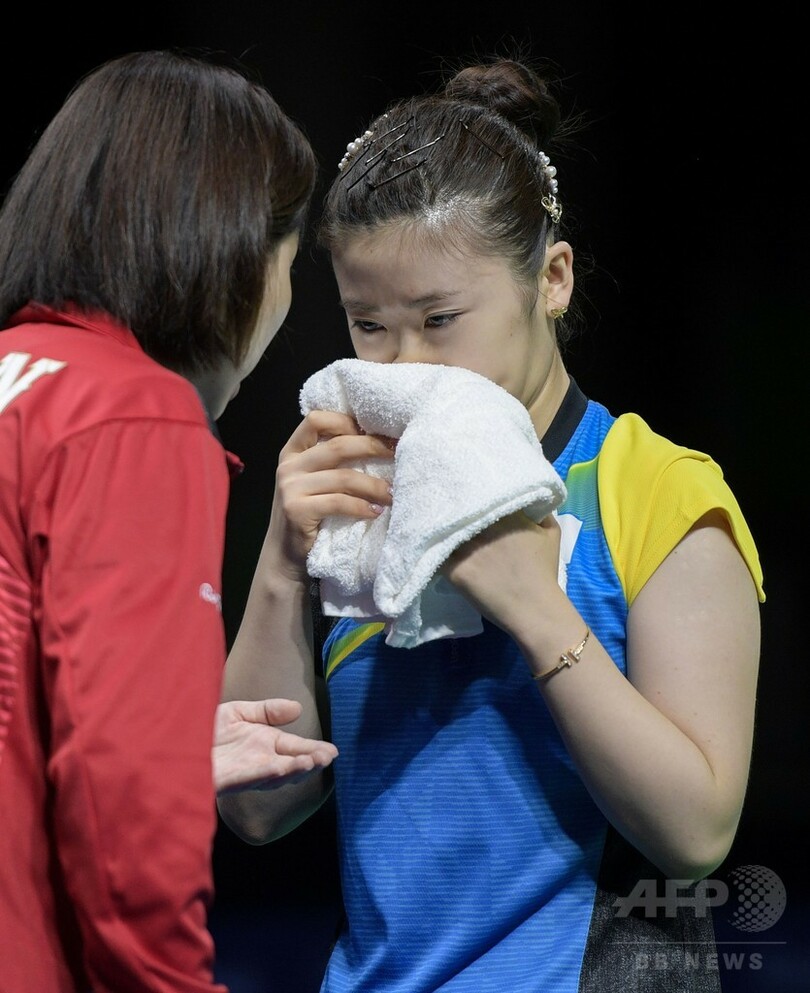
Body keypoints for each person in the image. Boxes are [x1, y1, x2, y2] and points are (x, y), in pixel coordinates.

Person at [217, 56, 765, 992]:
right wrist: (279, 562)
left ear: (552, 279)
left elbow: (697, 833)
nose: (404, 360)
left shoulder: (658, 490)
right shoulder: (360, 495)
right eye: (368, 324)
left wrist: (533, 605)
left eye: (440, 318)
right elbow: (262, 811)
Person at [0, 49, 339, 993]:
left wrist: (157, 745)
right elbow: (124, 820)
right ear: (232, 247)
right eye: (290, 259)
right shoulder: (131, 417)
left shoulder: (19, 381)